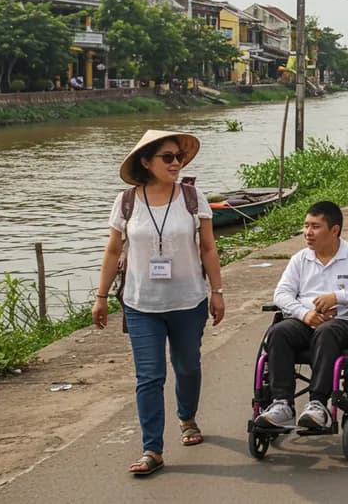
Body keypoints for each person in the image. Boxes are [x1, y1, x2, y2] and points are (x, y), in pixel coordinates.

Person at [92, 130, 225, 476]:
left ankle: (187, 417)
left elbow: (208, 248)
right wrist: (101, 297)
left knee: (188, 367)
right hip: (141, 305)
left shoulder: (194, 199)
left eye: (178, 157)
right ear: (146, 162)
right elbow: (112, 251)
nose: (176, 163)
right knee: (149, 376)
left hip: (188, 301)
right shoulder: (126, 202)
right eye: (167, 157)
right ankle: (153, 448)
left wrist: (218, 291)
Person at [254, 202, 348, 430]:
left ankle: (318, 404)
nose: (308, 233)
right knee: (279, 332)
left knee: (326, 332)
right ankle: (282, 404)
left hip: (343, 324)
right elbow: (281, 293)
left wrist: (337, 297)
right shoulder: (300, 259)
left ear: (334, 230)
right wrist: (304, 313)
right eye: (306, 226)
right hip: (305, 321)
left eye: (315, 227)